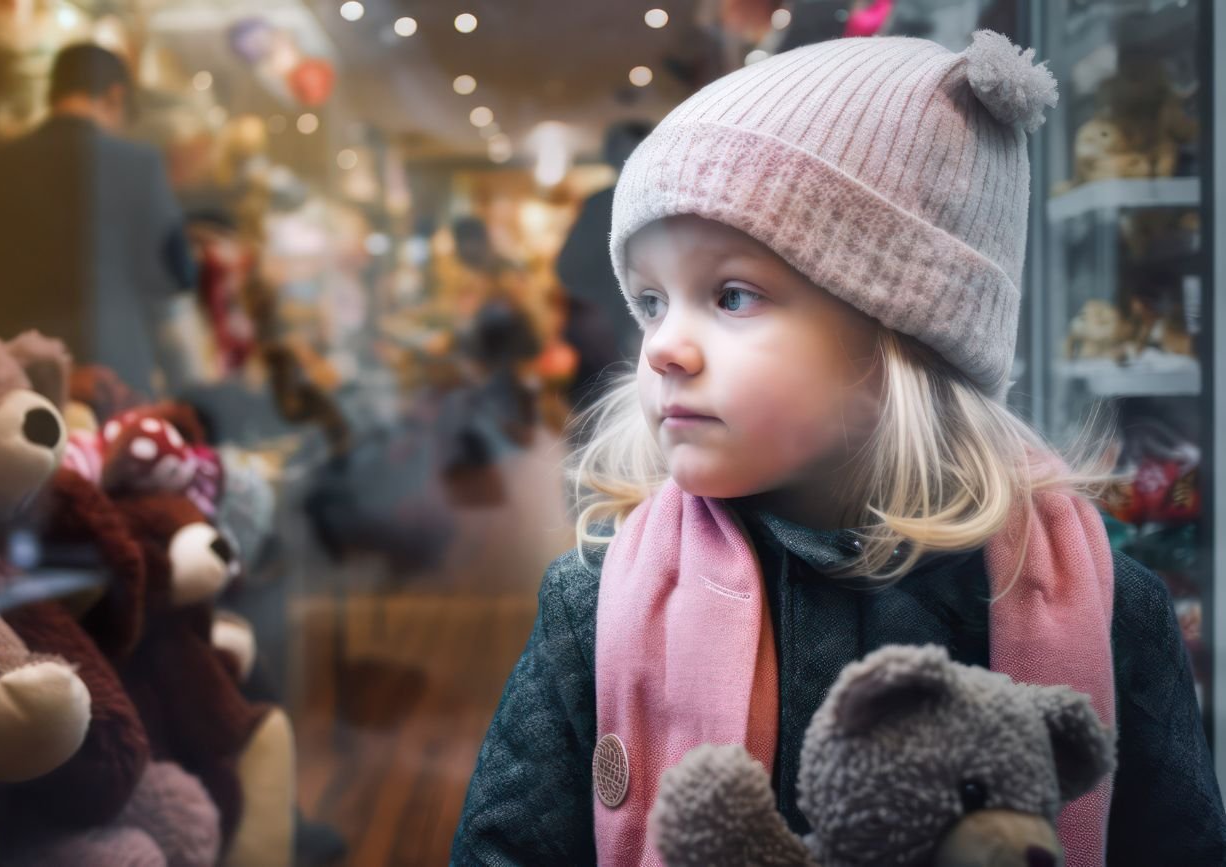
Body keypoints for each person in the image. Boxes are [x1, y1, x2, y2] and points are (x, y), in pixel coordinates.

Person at [452, 32, 1225, 866]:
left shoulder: (1107, 610)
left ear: (905, 330)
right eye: (650, 300)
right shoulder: (598, 601)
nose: (662, 348)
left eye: (733, 294)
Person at [0, 42, 194, 395]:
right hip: (113, 370)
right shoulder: (140, 165)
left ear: (52, 93)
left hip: (11, 367)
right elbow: (175, 276)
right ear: (115, 96)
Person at [556, 120, 652, 411]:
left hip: (629, 329)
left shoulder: (604, 203)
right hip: (616, 331)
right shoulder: (602, 204)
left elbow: (567, 269)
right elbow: (568, 269)